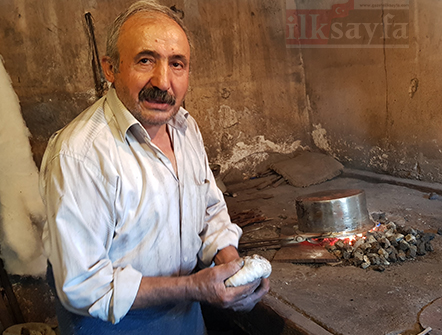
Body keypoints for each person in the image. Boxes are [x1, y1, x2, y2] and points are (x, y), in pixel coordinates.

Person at [39, 1, 269, 334]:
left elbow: (209, 211)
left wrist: (231, 263)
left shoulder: (185, 128)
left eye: (177, 64)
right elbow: (82, 286)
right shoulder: (79, 156)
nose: (163, 81)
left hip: (186, 318)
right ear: (110, 68)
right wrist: (193, 287)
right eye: (146, 60)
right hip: (116, 326)